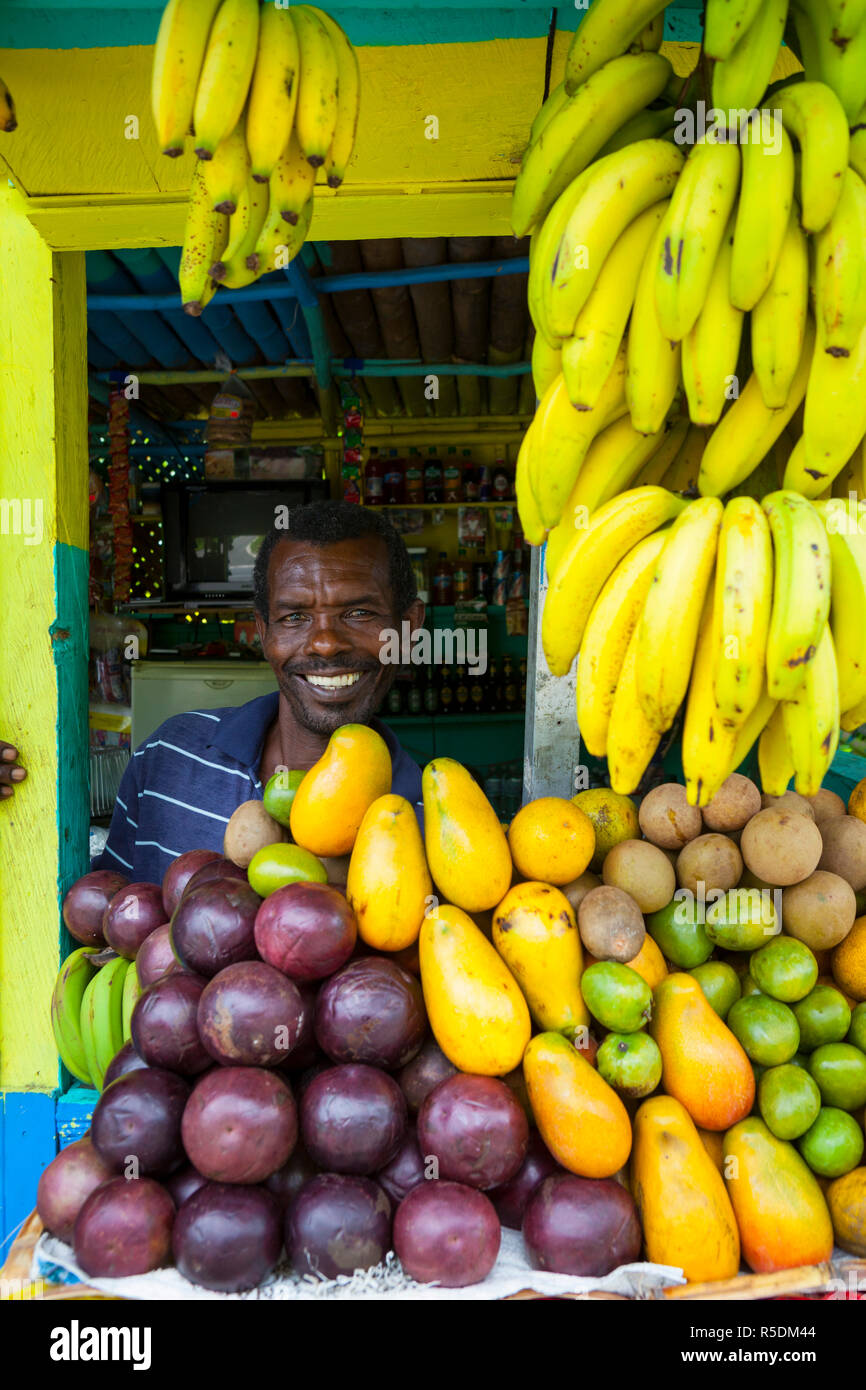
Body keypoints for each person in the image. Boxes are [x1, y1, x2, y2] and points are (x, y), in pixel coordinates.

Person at [92, 500, 426, 884]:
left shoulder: (428, 824)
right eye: (295, 617)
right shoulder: (168, 757)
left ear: (407, 628)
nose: (326, 644)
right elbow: (104, 918)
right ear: (264, 633)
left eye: (358, 613)